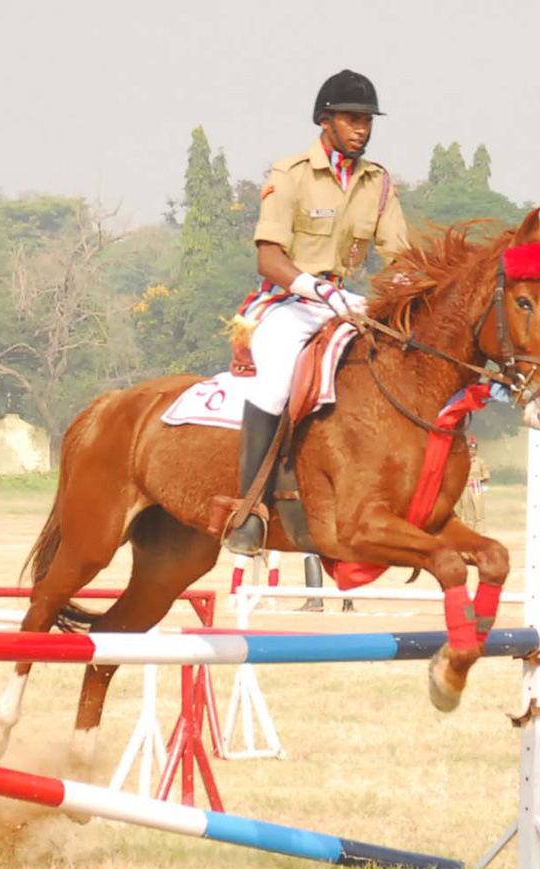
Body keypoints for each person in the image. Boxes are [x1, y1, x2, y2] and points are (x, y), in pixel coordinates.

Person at [224, 69, 410, 556]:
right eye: (352, 118)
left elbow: (400, 258)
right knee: (276, 381)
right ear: (324, 120)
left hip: (347, 303)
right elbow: (269, 258)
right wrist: (317, 291)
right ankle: (248, 512)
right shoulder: (290, 175)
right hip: (286, 302)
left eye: (368, 120)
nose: (362, 129)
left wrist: (408, 293)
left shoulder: (380, 183)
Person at [455, 435, 491, 534]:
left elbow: (486, 476)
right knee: (467, 508)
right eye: (470, 450)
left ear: (477, 451)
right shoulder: (462, 461)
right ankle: (468, 530)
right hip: (464, 486)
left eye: (474, 450)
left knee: (479, 508)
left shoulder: (480, 462)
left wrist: (479, 481)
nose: (472, 452)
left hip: (476, 486)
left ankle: (480, 530)